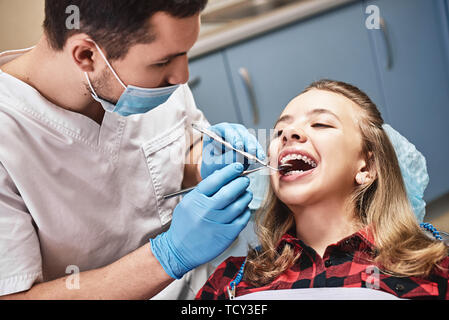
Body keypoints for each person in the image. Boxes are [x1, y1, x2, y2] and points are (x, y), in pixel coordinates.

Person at [0, 0, 266, 299]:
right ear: (87, 55)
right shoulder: (7, 137)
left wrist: (205, 162)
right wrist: (168, 256)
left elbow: (179, 149)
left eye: (185, 53)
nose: (182, 76)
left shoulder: (151, 76)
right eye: (163, 62)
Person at [196, 79, 449, 300]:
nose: (289, 134)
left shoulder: (434, 268)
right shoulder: (231, 282)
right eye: (279, 131)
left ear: (367, 166)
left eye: (320, 124)